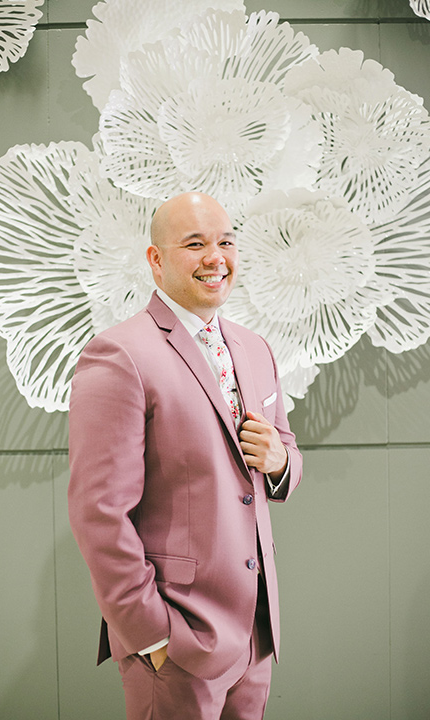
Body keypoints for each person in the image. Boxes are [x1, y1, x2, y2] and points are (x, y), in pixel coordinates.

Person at [68, 191, 302, 720]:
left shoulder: (255, 348)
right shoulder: (120, 354)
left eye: (225, 242)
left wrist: (280, 463)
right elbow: (98, 512)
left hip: (256, 637)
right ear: (156, 259)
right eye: (195, 244)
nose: (215, 257)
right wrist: (151, 635)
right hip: (177, 643)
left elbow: (284, 455)